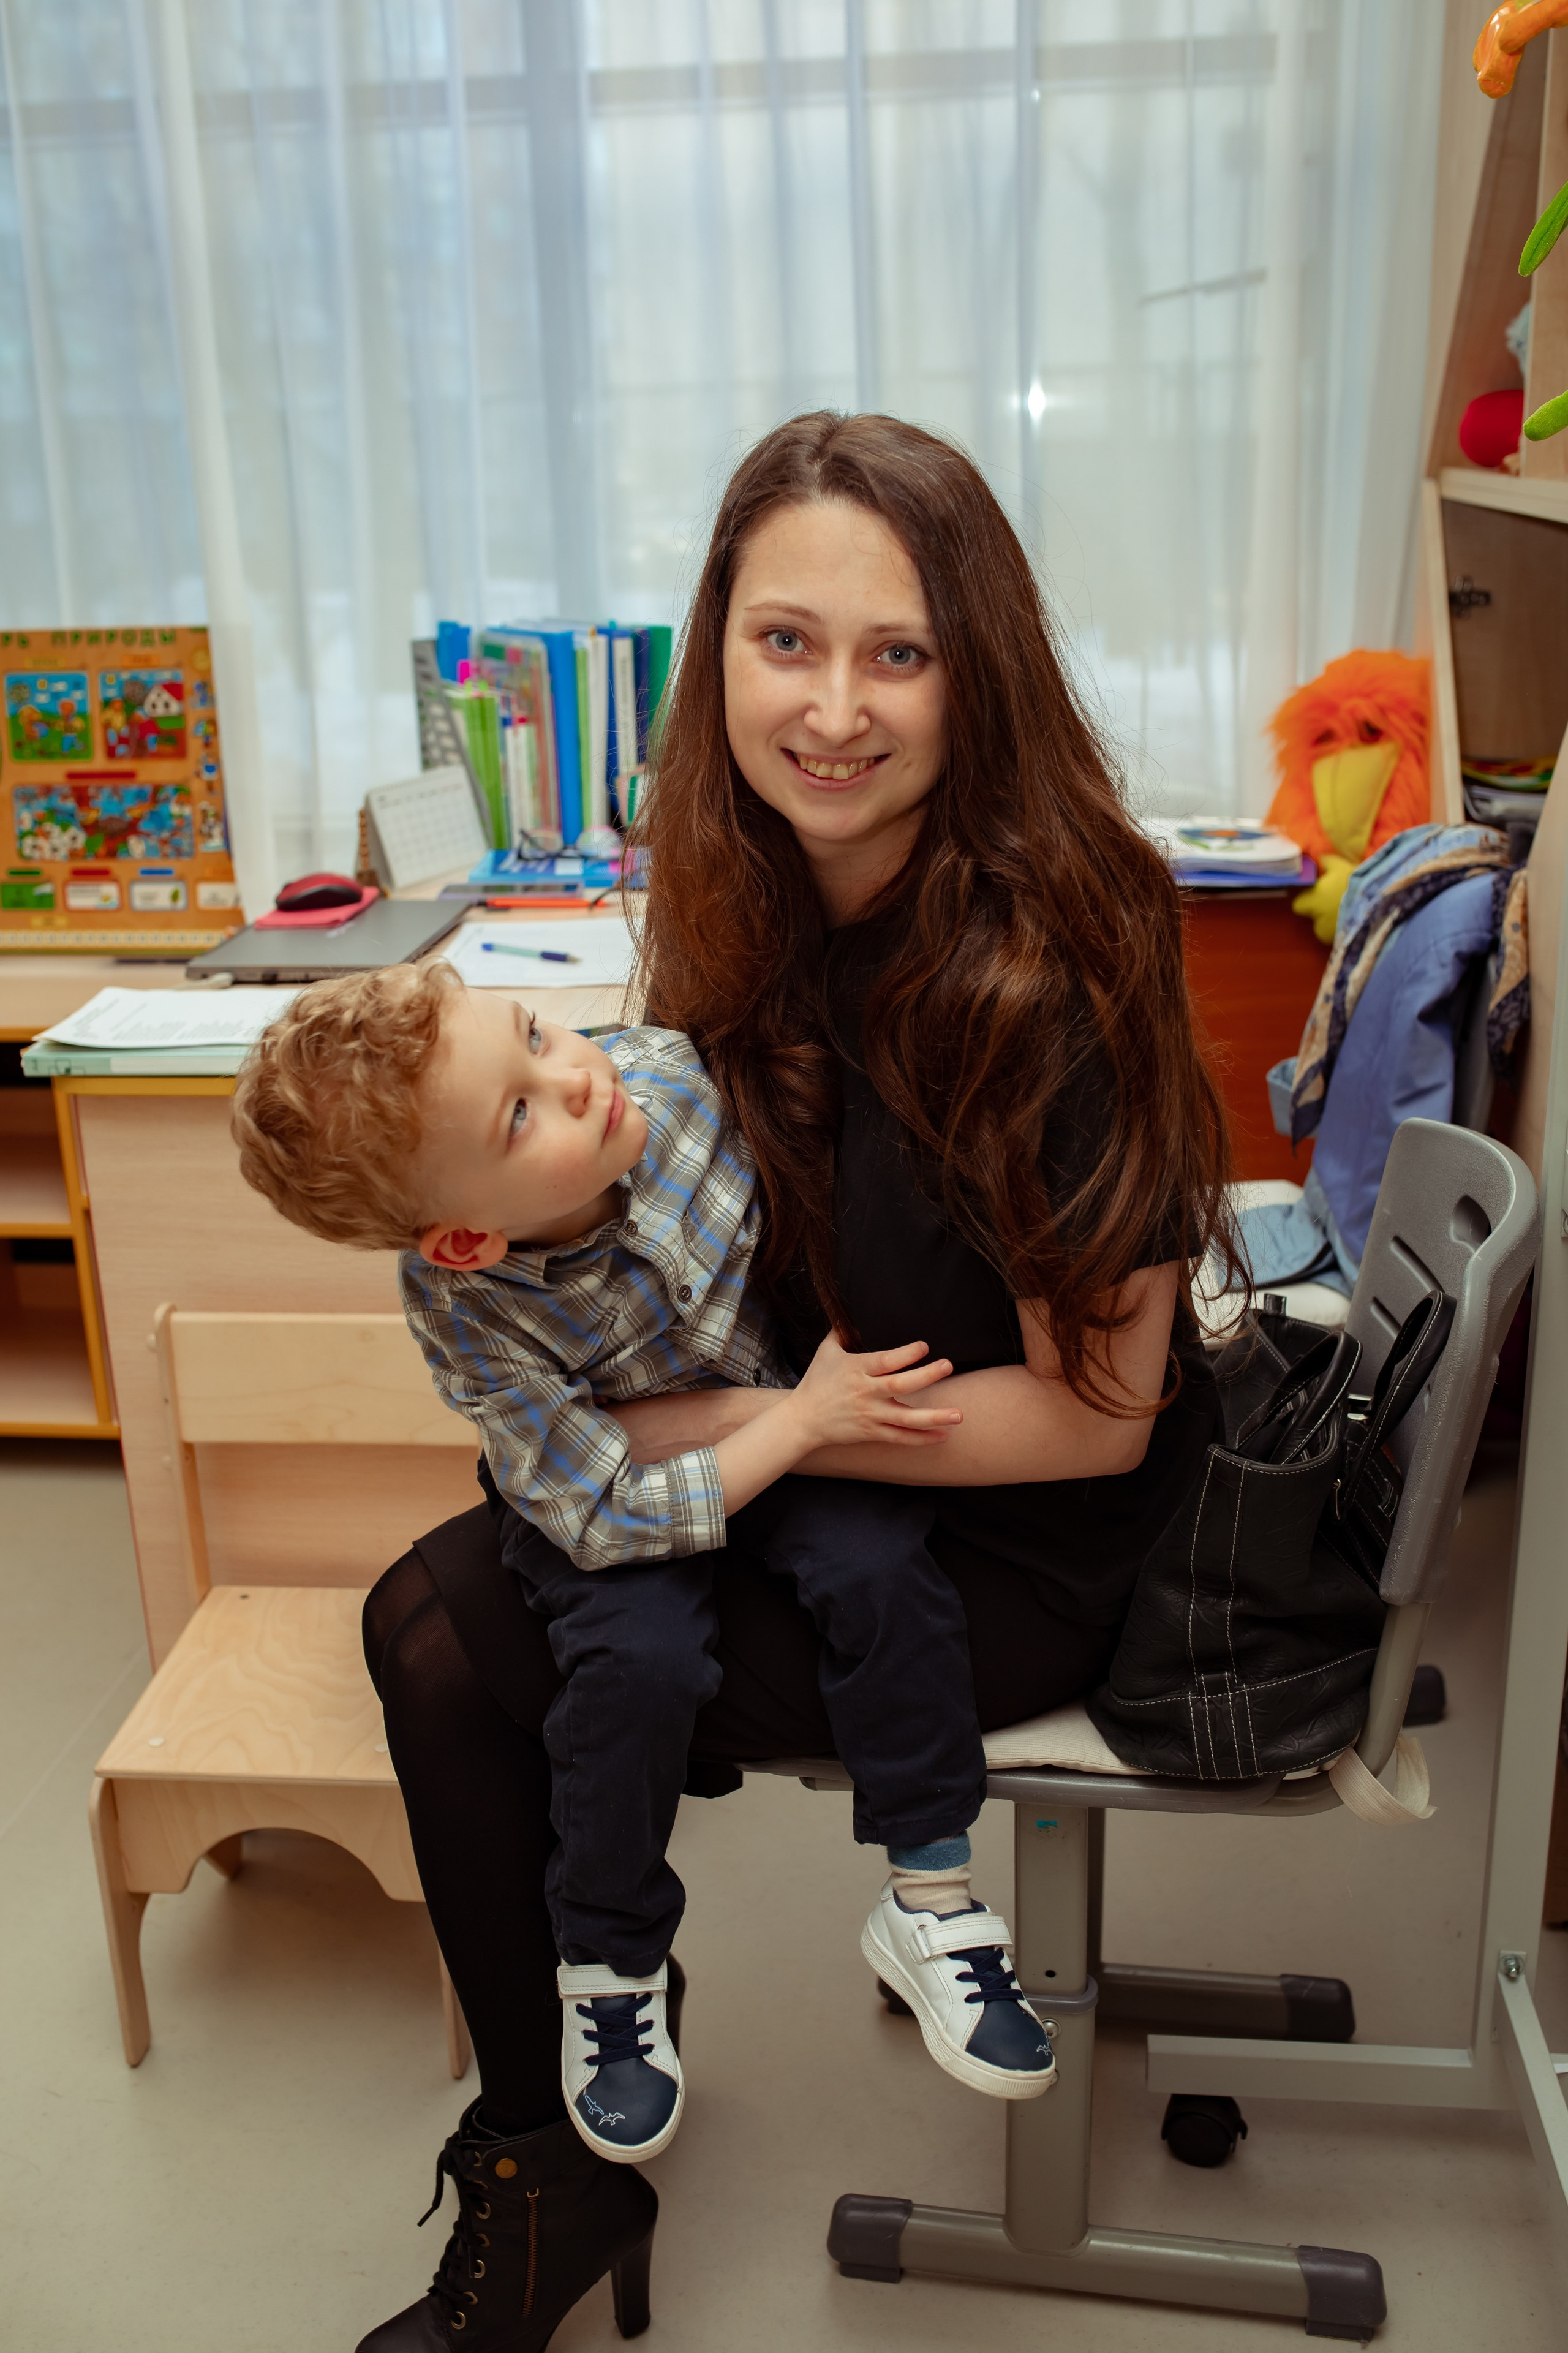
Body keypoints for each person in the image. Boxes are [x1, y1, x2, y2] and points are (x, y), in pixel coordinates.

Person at [349, 410, 1233, 2353]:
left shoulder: (1064, 952)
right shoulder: (740, 894)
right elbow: (686, 1271)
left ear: (973, 670)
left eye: (897, 653)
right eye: (786, 642)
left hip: (1010, 1540)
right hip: (824, 1464)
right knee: (456, 1600)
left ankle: (547, 2175)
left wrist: (681, 1443)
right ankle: (569, 2120)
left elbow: (1101, 1412)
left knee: (440, 1633)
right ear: (718, 651)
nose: (833, 709)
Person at [233, 971, 1057, 2177]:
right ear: (465, 1236)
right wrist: (801, 1421)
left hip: (769, 1422)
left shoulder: (662, 1082)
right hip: (603, 1501)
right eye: (521, 1113)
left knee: (879, 1564)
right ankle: (611, 1967)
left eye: (534, 1032)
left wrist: (798, 1423)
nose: (574, 1073)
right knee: (637, 1660)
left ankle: (930, 1897)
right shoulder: (462, 1306)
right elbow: (607, 1501)